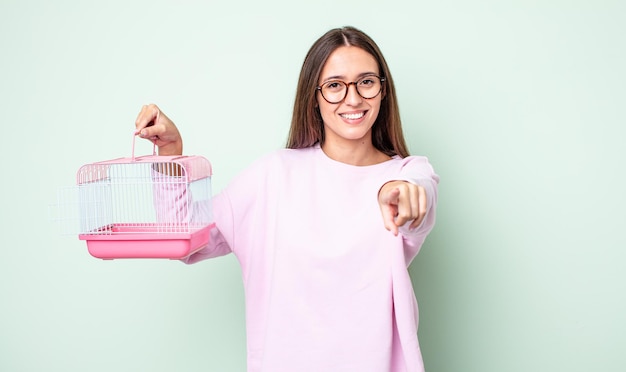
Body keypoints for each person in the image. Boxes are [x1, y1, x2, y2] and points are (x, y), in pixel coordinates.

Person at [135, 26, 439, 372]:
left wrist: (398, 191)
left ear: (383, 91)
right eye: (335, 86)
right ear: (314, 96)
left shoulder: (409, 173)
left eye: (366, 82)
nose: (353, 99)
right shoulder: (272, 175)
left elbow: (418, 198)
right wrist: (172, 154)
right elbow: (185, 238)